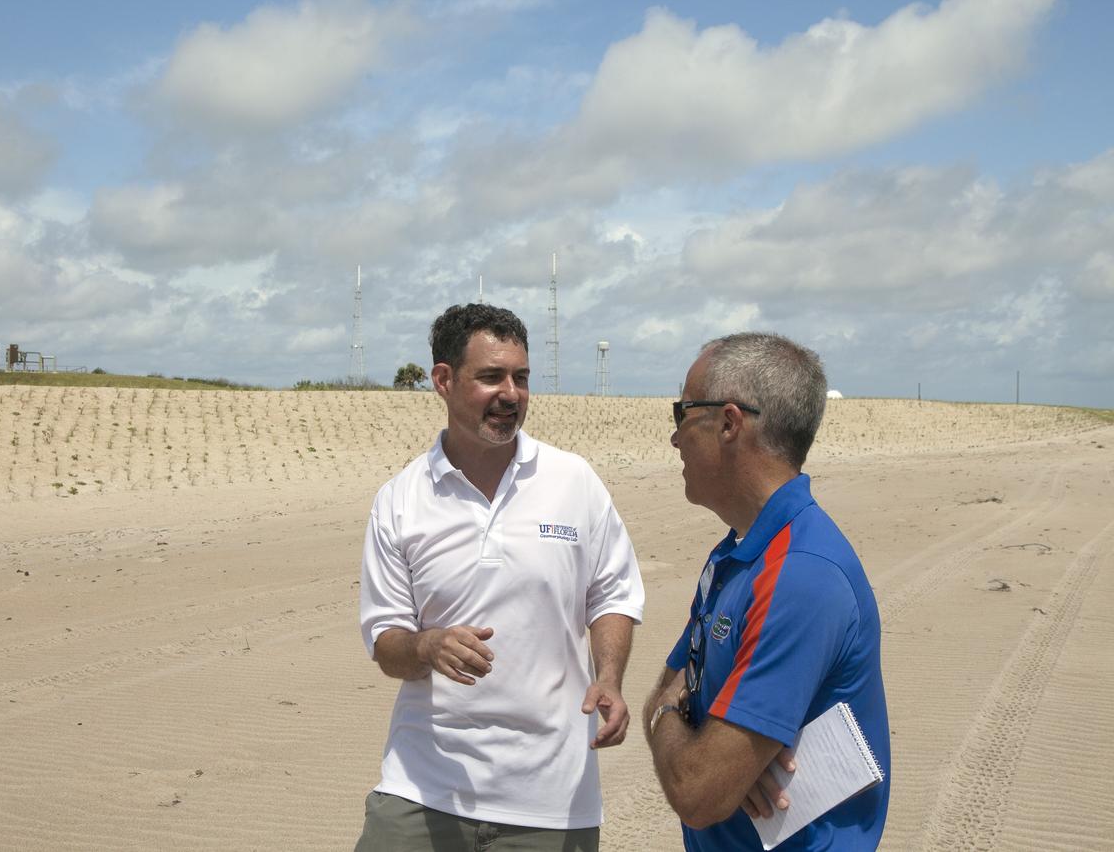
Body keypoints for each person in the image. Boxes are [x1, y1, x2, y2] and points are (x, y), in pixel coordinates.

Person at [356, 303, 645, 852]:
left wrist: (608, 676)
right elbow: (386, 643)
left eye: (522, 377)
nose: (511, 393)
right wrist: (427, 645)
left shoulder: (573, 481)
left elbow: (613, 592)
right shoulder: (400, 499)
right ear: (443, 380)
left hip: (553, 799)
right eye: (491, 377)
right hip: (422, 786)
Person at [643, 332, 889, 851]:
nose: (675, 439)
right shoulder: (736, 554)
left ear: (729, 423)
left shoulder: (799, 573)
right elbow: (676, 688)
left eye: (682, 413)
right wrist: (718, 749)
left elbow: (697, 791)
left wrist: (671, 716)